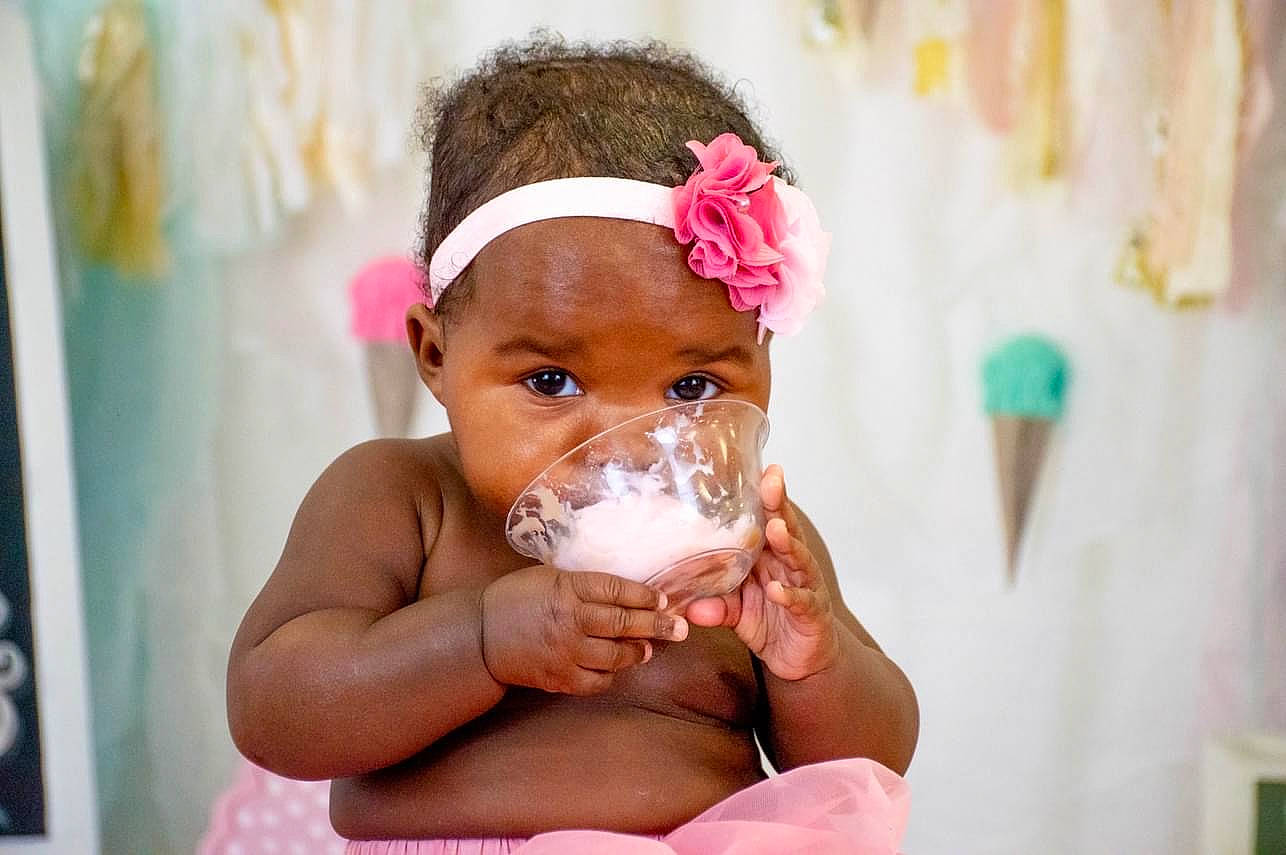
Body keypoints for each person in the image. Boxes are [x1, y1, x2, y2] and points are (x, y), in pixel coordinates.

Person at [227, 36, 919, 855]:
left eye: (692, 388)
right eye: (552, 381)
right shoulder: (399, 498)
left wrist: (812, 660)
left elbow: (871, 764)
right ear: (436, 355)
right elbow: (274, 708)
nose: (627, 448)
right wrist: (481, 639)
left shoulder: (748, 544)